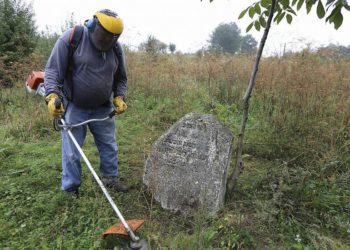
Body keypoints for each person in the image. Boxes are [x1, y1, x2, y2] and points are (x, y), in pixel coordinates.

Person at [44, 9, 129, 196]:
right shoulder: (73, 38)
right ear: (94, 26)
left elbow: (121, 78)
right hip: (75, 106)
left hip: (103, 108)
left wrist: (119, 96)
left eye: (112, 37)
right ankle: (71, 187)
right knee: (72, 151)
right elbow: (52, 71)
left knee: (109, 146)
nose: (107, 41)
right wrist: (51, 95)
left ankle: (110, 178)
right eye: (104, 35)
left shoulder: (115, 48)